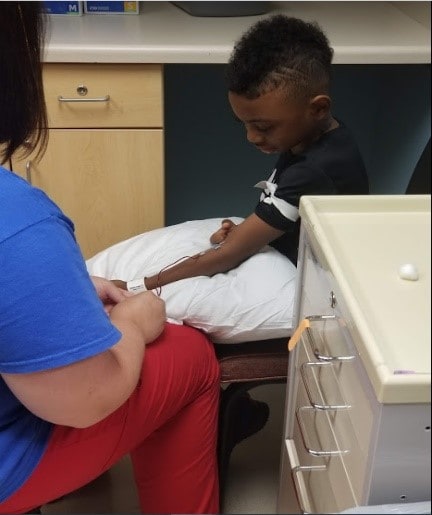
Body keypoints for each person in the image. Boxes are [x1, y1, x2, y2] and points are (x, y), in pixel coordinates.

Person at [0, 3, 220, 514]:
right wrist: (132, 325)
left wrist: (54, 288)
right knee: (189, 354)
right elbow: (85, 402)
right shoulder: (17, 218)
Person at [113, 14, 368, 295]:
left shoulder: (315, 170)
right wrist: (243, 233)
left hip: (315, 282)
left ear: (318, 109)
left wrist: (138, 286)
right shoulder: (317, 135)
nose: (252, 137)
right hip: (285, 249)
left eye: (263, 127)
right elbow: (285, 210)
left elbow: (227, 256)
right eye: (244, 124)